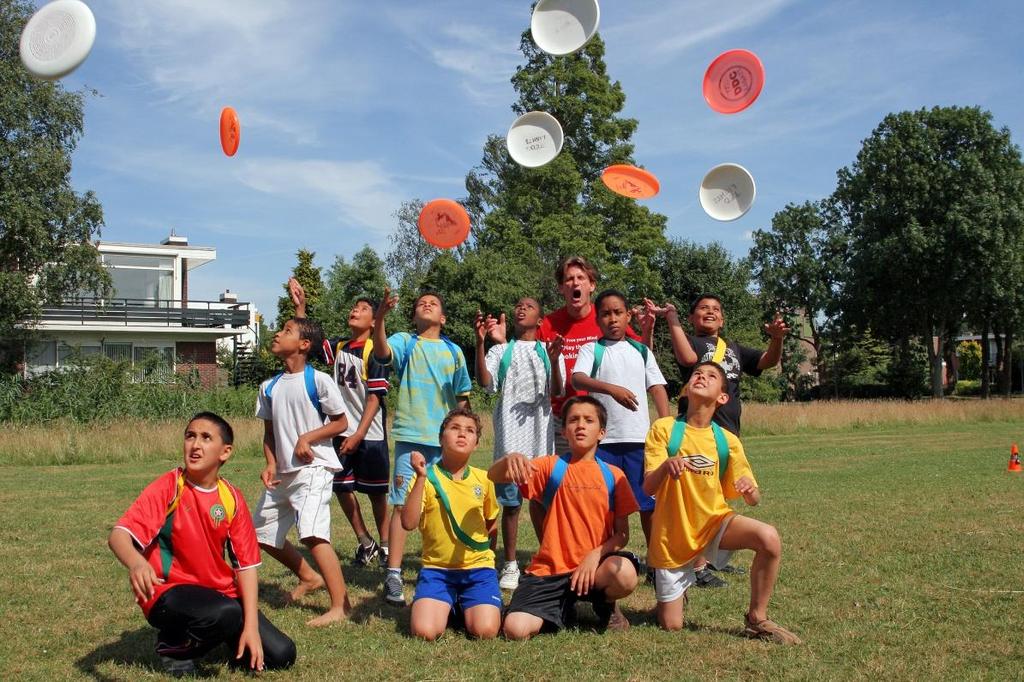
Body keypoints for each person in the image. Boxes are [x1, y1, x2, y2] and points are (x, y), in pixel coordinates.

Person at [108, 412, 296, 676]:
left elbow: (246, 566)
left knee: (282, 655)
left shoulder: (231, 497)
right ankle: (173, 645)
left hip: (221, 597)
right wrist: (137, 562)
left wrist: (251, 627)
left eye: (206, 438)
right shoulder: (170, 486)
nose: (195, 445)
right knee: (226, 613)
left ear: (225, 452)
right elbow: (119, 535)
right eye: (190, 436)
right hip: (167, 593)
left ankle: (221, 633)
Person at [643, 362, 801, 644]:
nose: (701, 377)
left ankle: (757, 618)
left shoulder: (727, 440)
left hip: (714, 523)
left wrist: (749, 490)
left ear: (722, 398)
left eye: (711, 376)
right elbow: (648, 486)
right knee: (672, 625)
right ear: (686, 388)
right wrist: (666, 466)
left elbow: (753, 499)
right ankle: (671, 599)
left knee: (769, 538)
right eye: (697, 374)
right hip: (673, 535)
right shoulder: (664, 429)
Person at [649, 293, 788, 586]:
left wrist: (777, 339)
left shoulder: (734, 348)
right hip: (697, 429)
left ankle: (708, 558)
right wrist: (671, 318)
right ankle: (696, 566)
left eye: (715, 309)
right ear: (691, 318)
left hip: (727, 432)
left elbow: (767, 361)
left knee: (717, 495)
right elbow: (687, 359)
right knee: (696, 492)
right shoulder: (693, 343)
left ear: (723, 319)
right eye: (702, 308)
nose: (710, 312)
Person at [490, 396, 641, 639]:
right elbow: (494, 475)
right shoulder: (551, 467)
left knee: (624, 573)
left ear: (601, 432)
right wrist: (508, 460)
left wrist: (594, 555)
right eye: (573, 420)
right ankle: (562, 608)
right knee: (514, 630)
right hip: (550, 571)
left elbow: (622, 534)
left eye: (589, 420)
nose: (581, 425)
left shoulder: (613, 475)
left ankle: (605, 604)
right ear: (564, 431)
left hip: (593, 570)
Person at [373, 289, 472, 605]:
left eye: (433, 303)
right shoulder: (405, 341)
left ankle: (444, 568)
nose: (426, 305)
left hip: (444, 442)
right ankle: (393, 574)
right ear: (415, 316)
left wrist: (465, 431)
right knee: (402, 506)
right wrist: (380, 317)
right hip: (411, 437)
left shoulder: (455, 351)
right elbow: (382, 352)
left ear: (442, 318)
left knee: (445, 503)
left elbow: (463, 398)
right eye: (420, 304)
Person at [252, 317, 353, 626]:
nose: (277, 334)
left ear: (304, 345)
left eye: (286, 331)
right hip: (283, 473)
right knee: (261, 534)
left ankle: (341, 606)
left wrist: (307, 438)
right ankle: (309, 577)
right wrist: (270, 463)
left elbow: (341, 423)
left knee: (311, 532)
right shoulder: (267, 387)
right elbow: (269, 435)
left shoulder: (319, 381)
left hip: (314, 469)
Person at [290, 278, 391, 568]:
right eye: (354, 307)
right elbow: (306, 339)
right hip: (340, 432)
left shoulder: (376, 349)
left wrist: (359, 433)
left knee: (376, 494)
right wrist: (301, 307)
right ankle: (365, 542)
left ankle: (385, 547)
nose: (355, 310)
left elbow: (375, 397)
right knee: (341, 487)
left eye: (362, 308)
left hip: (369, 434)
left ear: (374, 320)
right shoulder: (340, 346)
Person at [475, 298, 565, 590]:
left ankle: (549, 558)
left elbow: (557, 391)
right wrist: (479, 344)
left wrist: (553, 360)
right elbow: (486, 382)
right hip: (510, 439)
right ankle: (510, 564)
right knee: (511, 505)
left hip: (541, 438)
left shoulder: (549, 349)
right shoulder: (502, 350)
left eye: (529, 305)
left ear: (541, 319)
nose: (521, 308)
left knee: (543, 502)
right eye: (518, 305)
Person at [572, 289, 669, 552]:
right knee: (607, 503)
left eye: (618, 313)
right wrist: (611, 389)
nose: (612, 319)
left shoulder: (641, 351)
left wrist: (667, 424)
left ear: (628, 316)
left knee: (647, 503)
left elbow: (657, 386)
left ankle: (655, 559)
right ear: (597, 319)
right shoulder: (592, 349)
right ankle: (607, 555)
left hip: (640, 440)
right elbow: (577, 378)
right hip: (604, 441)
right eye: (605, 314)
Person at [401, 408, 502, 640]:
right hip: (438, 571)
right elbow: (408, 523)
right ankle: (451, 604)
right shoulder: (425, 478)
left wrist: (488, 562)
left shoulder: (484, 479)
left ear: (476, 443)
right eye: (454, 428)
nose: (462, 434)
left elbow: (491, 524)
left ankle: (463, 605)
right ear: (441, 437)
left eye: (470, 431)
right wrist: (421, 477)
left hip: (478, 571)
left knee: (485, 631)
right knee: (424, 632)